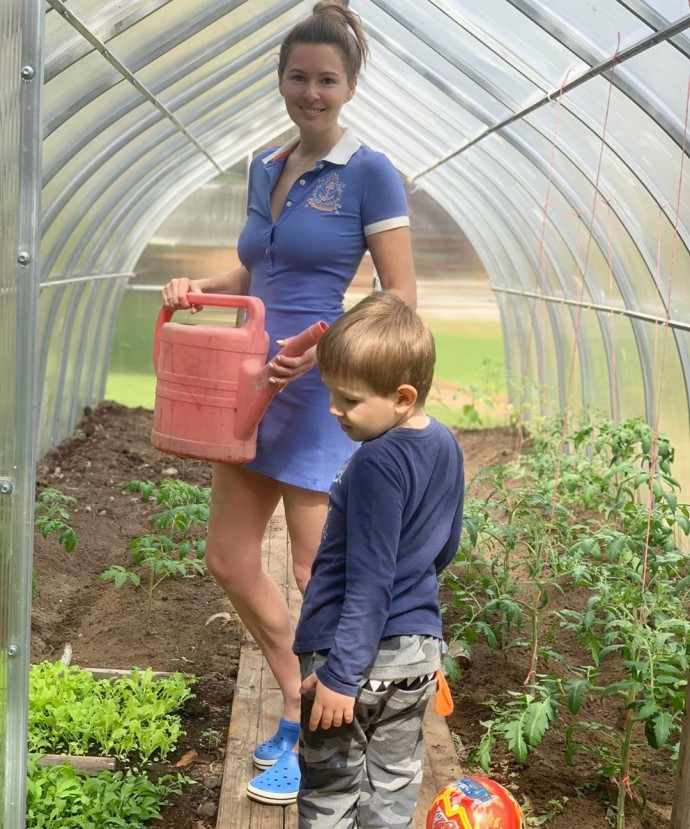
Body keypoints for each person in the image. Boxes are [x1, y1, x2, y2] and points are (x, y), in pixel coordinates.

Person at [160, 0, 416, 803]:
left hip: (318, 392)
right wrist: (200, 287)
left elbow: (400, 295)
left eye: (327, 80)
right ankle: (296, 697)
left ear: (350, 86)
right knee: (230, 559)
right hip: (254, 387)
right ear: (280, 79)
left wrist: (321, 344)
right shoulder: (264, 167)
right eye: (299, 77)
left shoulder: (368, 172)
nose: (312, 92)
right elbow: (259, 273)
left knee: (315, 569)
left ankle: (324, 734)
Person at [290, 292, 465, 827]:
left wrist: (341, 676)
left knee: (331, 789)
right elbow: (447, 545)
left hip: (354, 661)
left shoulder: (374, 464)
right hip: (417, 658)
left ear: (402, 396)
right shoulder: (445, 444)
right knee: (393, 785)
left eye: (348, 399)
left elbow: (368, 585)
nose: (334, 410)